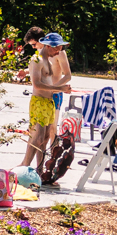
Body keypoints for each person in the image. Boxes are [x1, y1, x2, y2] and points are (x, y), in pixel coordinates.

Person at [25, 32, 72, 167]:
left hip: (49, 102)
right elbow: (37, 85)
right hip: (39, 102)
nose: (58, 52)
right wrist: (61, 88)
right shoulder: (36, 60)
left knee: (45, 138)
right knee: (37, 137)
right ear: (48, 46)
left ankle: (39, 170)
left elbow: (51, 85)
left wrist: (61, 89)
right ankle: (25, 167)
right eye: (56, 49)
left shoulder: (48, 62)